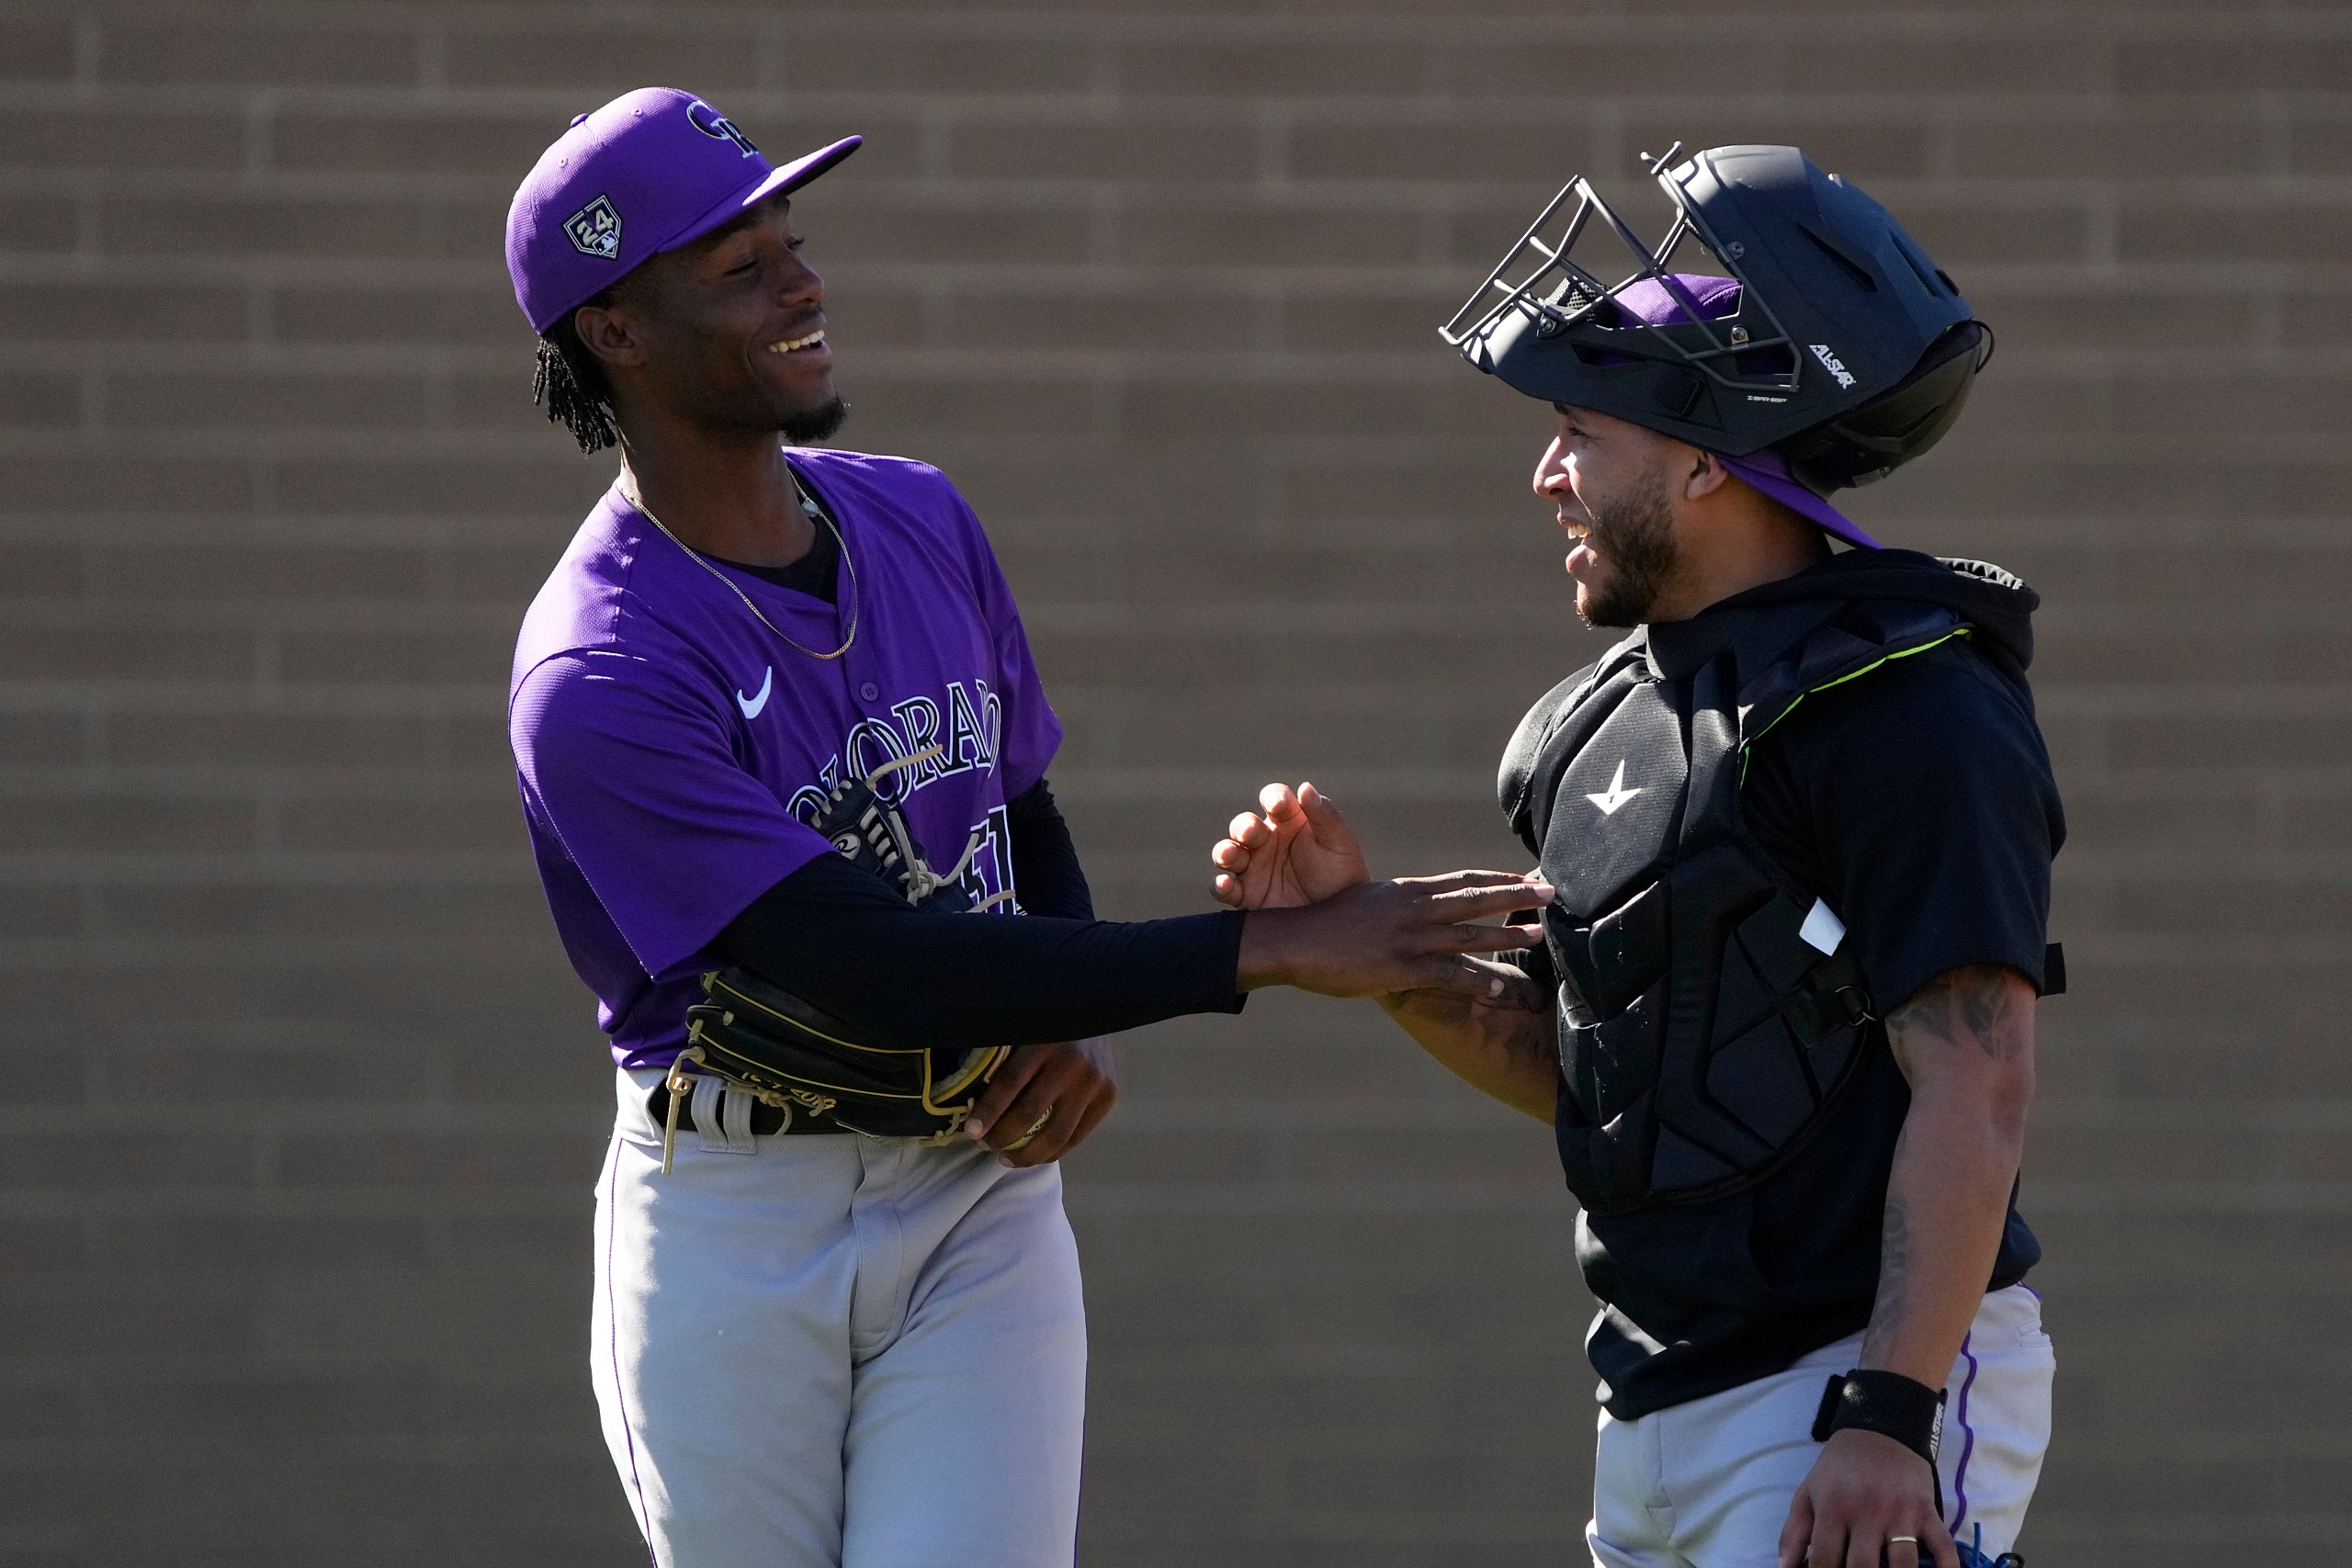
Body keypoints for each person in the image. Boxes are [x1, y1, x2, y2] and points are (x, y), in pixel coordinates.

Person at [501, 88, 1544, 1568]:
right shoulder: (598, 667)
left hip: (974, 1182)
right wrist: (1275, 951)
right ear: (616, 330)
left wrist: (1069, 1004)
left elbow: (1014, 798)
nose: (801, 281)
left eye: (790, 242)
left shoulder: (920, 518)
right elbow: (864, 969)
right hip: (741, 1217)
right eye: (738, 267)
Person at [1209, 144, 2061, 1568]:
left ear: (1707, 463)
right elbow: (1615, 1086)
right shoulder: (1591, 723)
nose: (1546, 473)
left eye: (1579, 432)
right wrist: (1380, 956)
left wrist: (1888, 1414)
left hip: (1850, 1388)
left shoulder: (1913, 705)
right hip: (1651, 1406)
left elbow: (1978, 1074)